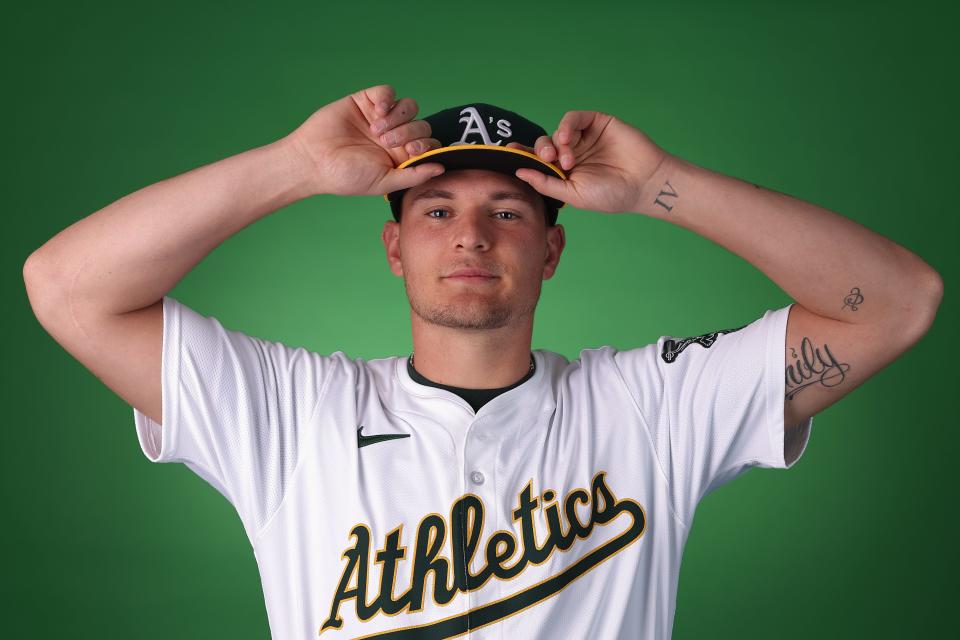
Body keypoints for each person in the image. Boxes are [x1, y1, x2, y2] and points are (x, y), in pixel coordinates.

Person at [23, 84, 943, 639]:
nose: (470, 234)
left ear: (550, 250)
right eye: (435, 209)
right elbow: (65, 286)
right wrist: (297, 167)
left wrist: (666, 184)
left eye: (507, 210)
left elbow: (900, 301)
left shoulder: (654, 407)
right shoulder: (291, 413)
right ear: (394, 250)